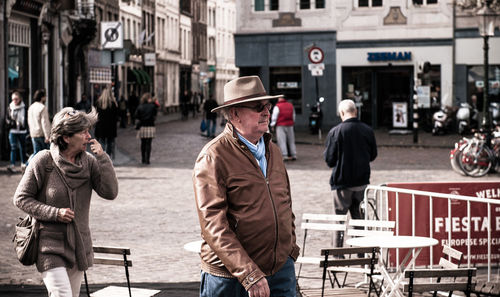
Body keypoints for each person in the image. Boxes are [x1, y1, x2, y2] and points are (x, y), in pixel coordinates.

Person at [193, 76, 300, 297]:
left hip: (280, 270)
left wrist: (290, 250)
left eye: (268, 106)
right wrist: (248, 273)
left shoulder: (274, 152)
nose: (267, 112)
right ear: (234, 114)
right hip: (230, 279)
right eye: (258, 107)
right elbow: (213, 224)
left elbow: (285, 204)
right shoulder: (214, 156)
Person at [13, 107, 118, 297]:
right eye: (83, 131)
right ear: (66, 137)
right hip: (50, 247)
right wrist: (55, 213)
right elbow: (20, 198)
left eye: (88, 130)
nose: (88, 136)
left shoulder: (89, 162)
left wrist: (102, 158)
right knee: (62, 294)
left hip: (78, 247)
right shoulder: (43, 161)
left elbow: (110, 192)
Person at [323, 99, 377, 248]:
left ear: (341, 113)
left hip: (342, 183)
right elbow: (373, 155)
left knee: (339, 222)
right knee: (360, 221)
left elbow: (329, 159)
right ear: (356, 111)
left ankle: (337, 257)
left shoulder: (336, 132)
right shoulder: (367, 130)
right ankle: (362, 256)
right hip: (361, 182)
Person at [6, 91, 28, 173]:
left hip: (22, 131)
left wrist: (26, 127)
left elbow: (27, 119)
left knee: (23, 147)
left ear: (20, 99)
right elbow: (7, 118)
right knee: (13, 147)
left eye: (16, 99)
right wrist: (12, 123)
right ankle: (12, 165)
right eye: (13, 99)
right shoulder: (10, 107)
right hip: (13, 130)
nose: (15, 101)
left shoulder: (24, 107)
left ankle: (24, 164)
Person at [94, 87, 119, 160]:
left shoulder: (98, 103)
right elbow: (116, 117)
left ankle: (101, 157)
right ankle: (108, 157)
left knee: (102, 142)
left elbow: (95, 115)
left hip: (101, 127)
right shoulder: (113, 104)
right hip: (111, 127)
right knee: (110, 143)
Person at [270, 97, 297, 161]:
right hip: (290, 125)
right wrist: (292, 122)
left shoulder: (277, 106)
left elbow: (274, 117)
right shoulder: (290, 105)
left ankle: (284, 155)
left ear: (279, 99)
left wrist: (272, 125)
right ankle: (294, 154)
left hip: (280, 125)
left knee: (282, 141)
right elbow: (293, 115)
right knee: (291, 140)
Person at [134, 92, 158, 165]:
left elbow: (136, 115)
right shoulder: (152, 106)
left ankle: (143, 159)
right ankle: (148, 159)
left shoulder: (140, 106)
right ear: (148, 99)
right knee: (149, 144)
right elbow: (155, 115)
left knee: (143, 143)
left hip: (142, 126)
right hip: (150, 126)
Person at [28, 89, 52, 157]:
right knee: (47, 154)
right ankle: (28, 165)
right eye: (45, 96)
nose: (45, 98)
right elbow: (45, 122)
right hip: (41, 134)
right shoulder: (42, 107)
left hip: (33, 133)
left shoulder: (31, 107)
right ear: (42, 97)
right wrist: (47, 136)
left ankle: (28, 165)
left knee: (36, 153)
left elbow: (29, 121)